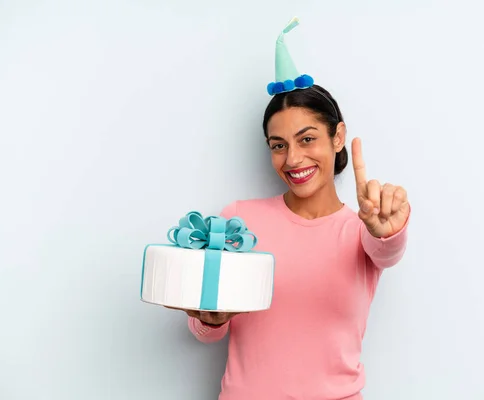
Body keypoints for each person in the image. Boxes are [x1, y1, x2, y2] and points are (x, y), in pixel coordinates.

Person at [172, 17, 410, 400]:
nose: (293, 157)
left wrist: (389, 229)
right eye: (278, 144)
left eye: (307, 138)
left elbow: (388, 248)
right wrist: (207, 319)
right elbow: (209, 330)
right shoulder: (239, 219)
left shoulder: (363, 231)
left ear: (338, 137)